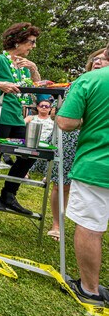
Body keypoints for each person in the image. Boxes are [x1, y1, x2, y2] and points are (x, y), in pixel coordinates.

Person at [56, 47, 109, 307]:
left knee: (90, 225)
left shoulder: (90, 79)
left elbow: (65, 121)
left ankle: (89, 288)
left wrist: (84, 120)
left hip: (97, 165)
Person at [0, 22, 41, 215]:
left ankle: (9, 194)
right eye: (31, 42)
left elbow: (38, 88)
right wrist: (0, 84)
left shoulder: (24, 66)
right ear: (18, 41)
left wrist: (34, 68)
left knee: (30, 153)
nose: (33, 46)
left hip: (16, 117)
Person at [47, 47, 109, 241]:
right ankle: (57, 224)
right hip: (69, 139)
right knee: (61, 184)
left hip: (91, 147)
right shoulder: (76, 83)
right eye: (94, 59)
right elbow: (60, 115)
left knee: (90, 212)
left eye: (102, 59)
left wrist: (85, 121)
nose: (97, 62)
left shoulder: (95, 81)